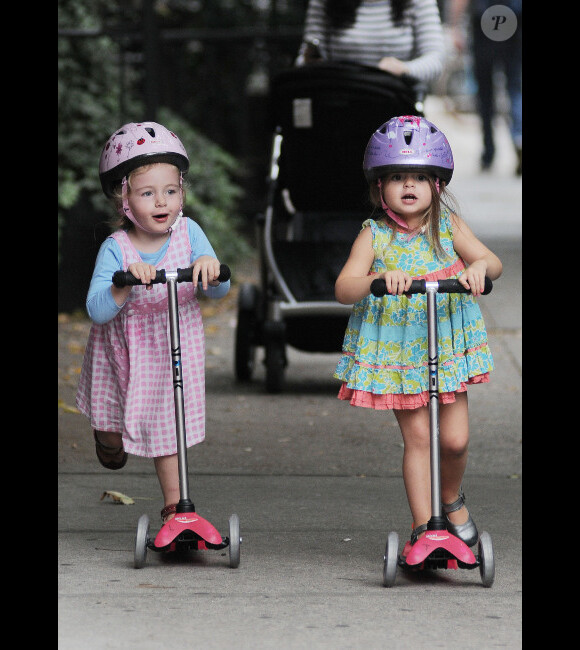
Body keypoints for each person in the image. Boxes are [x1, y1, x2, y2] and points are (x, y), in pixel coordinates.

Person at [334, 115, 502, 546]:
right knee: (421, 440)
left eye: (419, 177)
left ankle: (449, 500)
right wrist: (376, 280)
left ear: (437, 185)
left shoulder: (448, 227)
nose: (408, 185)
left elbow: (492, 261)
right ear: (380, 187)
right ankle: (425, 528)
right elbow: (343, 287)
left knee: (456, 441)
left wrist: (479, 267)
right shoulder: (374, 236)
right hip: (400, 352)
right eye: (396, 177)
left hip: (445, 344)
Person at [76, 122, 230, 524]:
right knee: (111, 430)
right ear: (123, 198)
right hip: (123, 356)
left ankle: (176, 509)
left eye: (171, 191)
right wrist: (124, 284)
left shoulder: (190, 232)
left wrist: (210, 269)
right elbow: (96, 309)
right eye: (148, 193)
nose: (162, 202)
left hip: (171, 349)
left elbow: (217, 292)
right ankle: (108, 443)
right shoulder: (117, 248)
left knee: (169, 427)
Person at [296, 0, 445, 86]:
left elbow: (436, 59)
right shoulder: (325, 3)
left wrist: (405, 69)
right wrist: (312, 64)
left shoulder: (416, 2)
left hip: (395, 113)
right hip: (337, 105)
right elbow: (305, 58)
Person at [449, 0, 522, 174]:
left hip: (485, 23)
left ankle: (488, 152)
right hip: (514, 21)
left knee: (485, 93)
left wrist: (455, 27)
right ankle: (518, 135)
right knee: (515, 87)